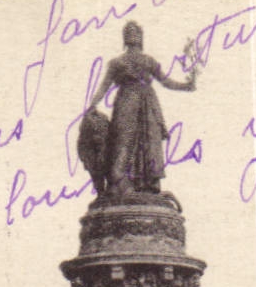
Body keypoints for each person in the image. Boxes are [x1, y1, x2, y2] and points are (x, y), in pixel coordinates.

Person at [82, 21, 198, 197]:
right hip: (136, 104)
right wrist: (186, 86)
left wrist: (92, 104)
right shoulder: (134, 62)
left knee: (139, 142)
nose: (132, 37)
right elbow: (166, 81)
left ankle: (138, 185)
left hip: (136, 104)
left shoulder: (131, 62)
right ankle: (131, 182)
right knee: (130, 142)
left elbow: (103, 87)